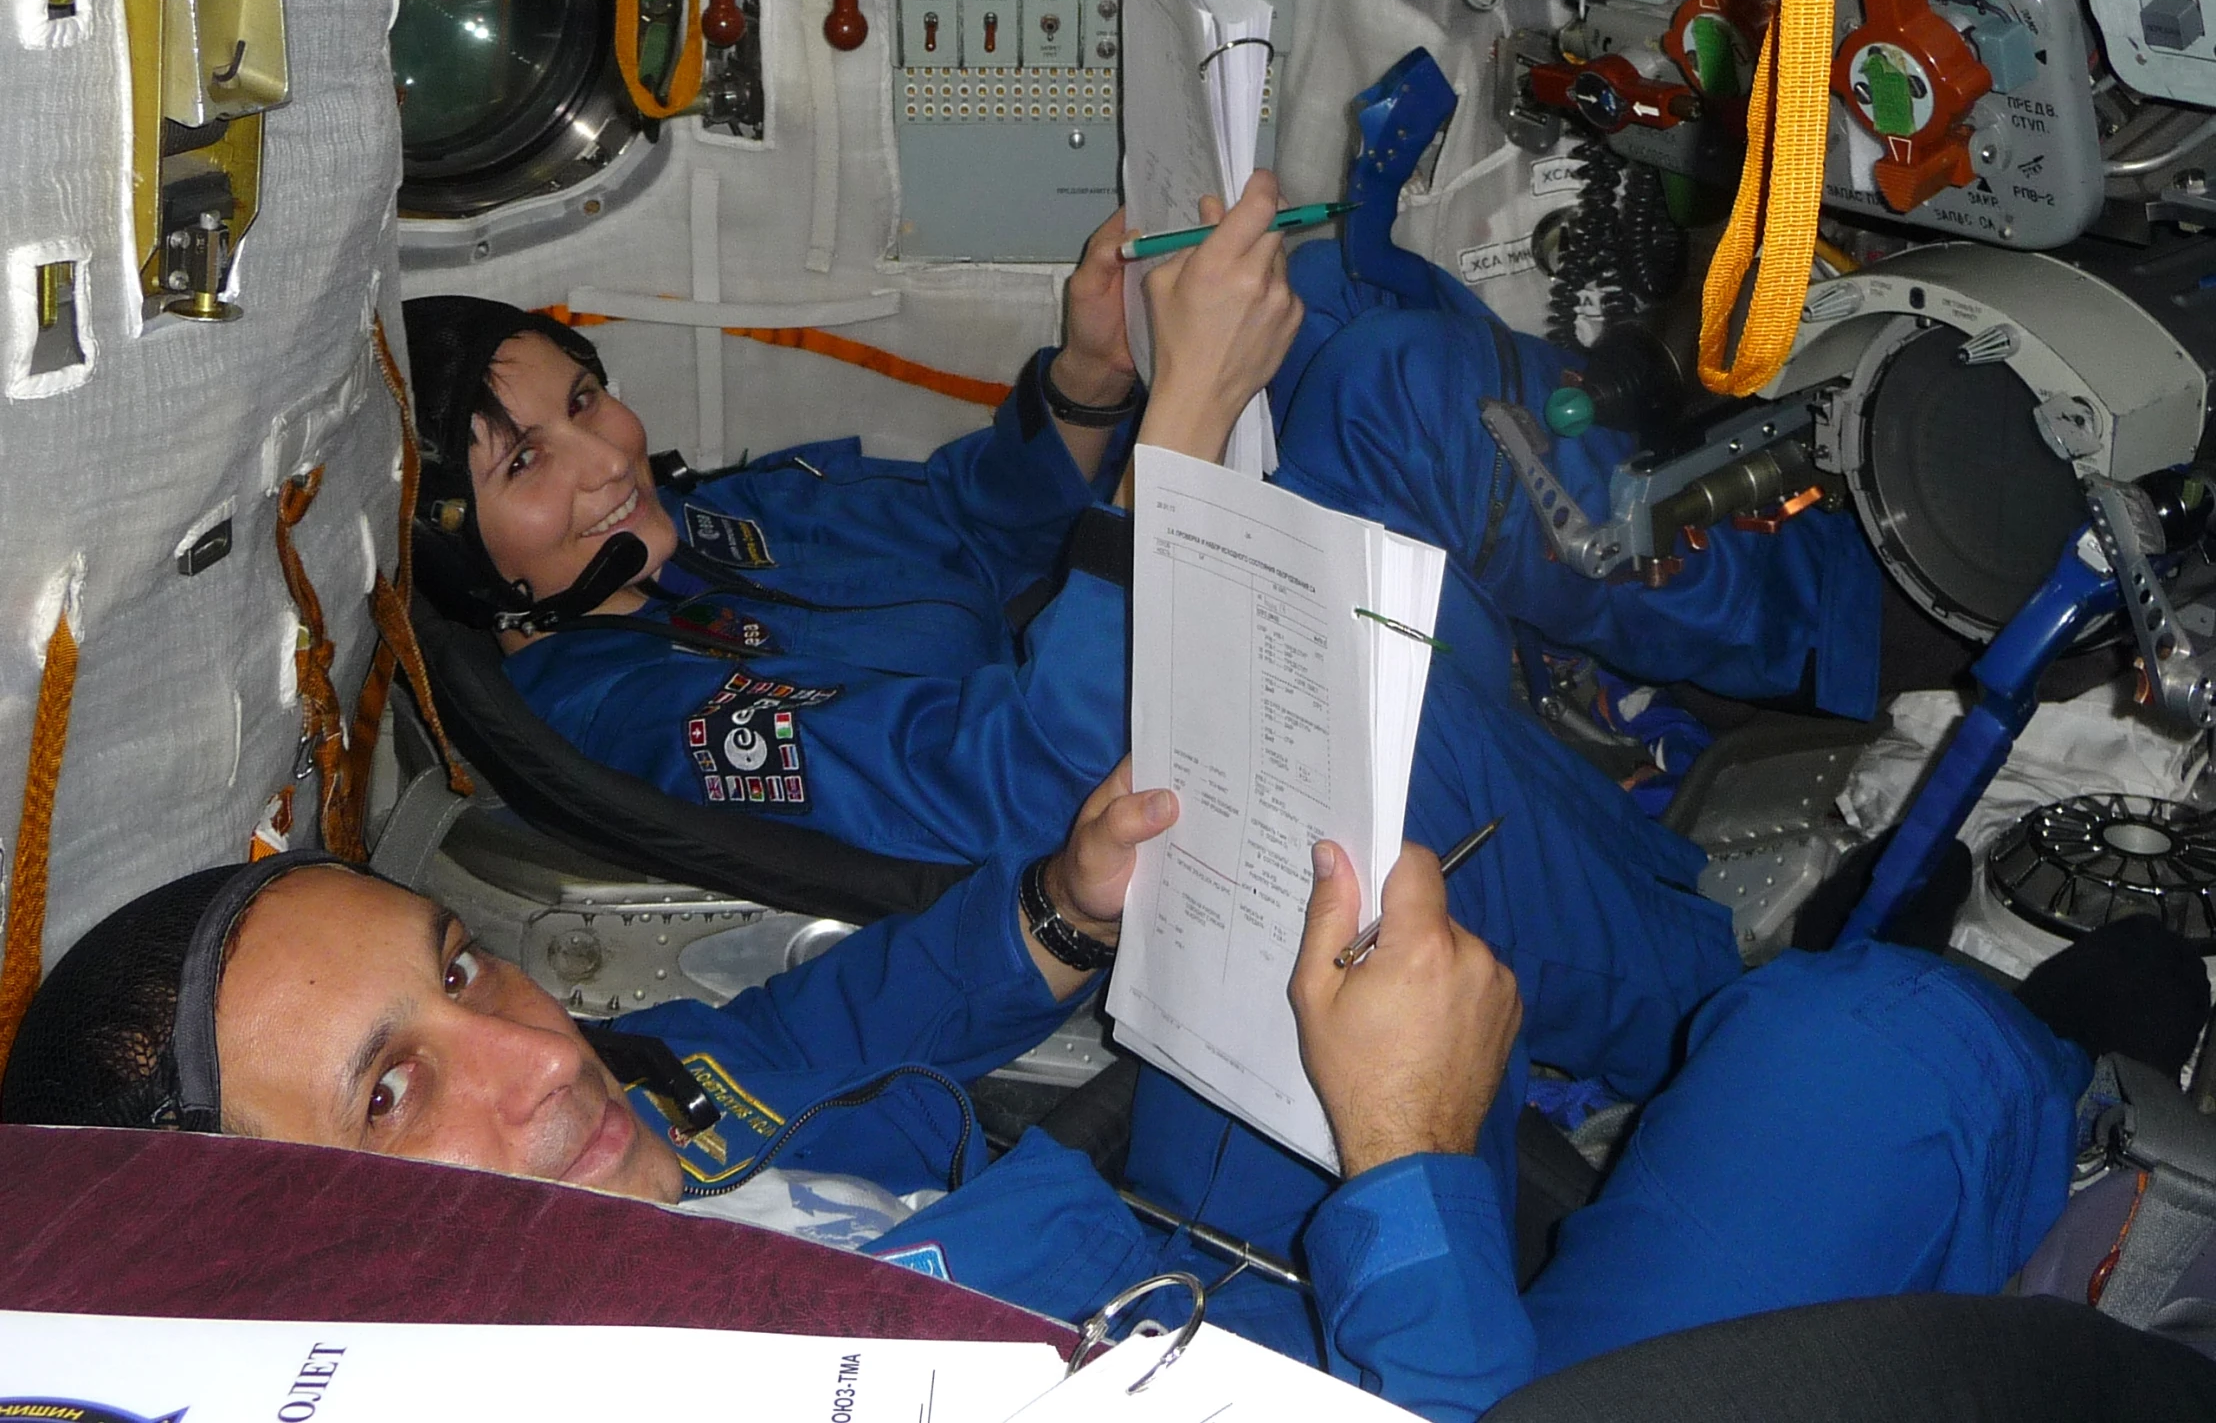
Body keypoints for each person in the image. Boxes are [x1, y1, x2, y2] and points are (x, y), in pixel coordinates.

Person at [1, 766, 2094, 1421]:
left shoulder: (634, 1130)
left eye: (463, 967)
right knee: (1858, 1045)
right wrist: (1408, 1162)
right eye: (392, 1093)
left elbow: (816, 1039)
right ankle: (2090, 1083)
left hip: (1237, 1280)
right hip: (1445, 1384)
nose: (540, 1056)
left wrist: (1064, 913)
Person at [401, 173, 1879, 886]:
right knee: (1396, 394)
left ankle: (1769, 601)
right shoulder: (636, 709)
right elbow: (1010, 783)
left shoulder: (712, 523)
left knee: (1345, 320)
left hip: (1101, 660)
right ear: (472, 557)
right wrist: (1171, 471)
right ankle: (1840, 617)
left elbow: (970, 522)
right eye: (528, 458)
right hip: (1117, 786)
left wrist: (1093, 384)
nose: (601, 453)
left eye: (585, 397)